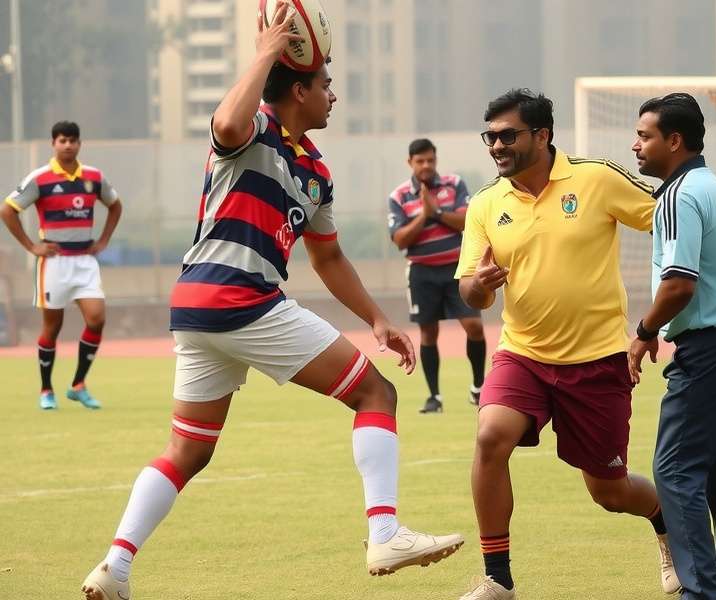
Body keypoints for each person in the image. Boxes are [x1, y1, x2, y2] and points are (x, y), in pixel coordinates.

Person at [80, 4, 462, 599]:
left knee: (189, 449)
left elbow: (329, 259)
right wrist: (263, 52)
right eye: (326, 84)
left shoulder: (315, 171)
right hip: (240, 298)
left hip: (198, 309)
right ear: (299, 89)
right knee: (375, 393)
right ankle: (384, 532)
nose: (333, 95)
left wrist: (378, 320)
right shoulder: (253, 128)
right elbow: (227, 126)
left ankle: (115, 567)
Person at [454, 89, 679, 600]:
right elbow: (469, 288)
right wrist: (481, 284)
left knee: (610, 492)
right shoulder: (486, 203)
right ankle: (497, 579)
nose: (495, 145)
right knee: (491, 436)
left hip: (597, 362)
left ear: (542, 135)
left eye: (507, 135)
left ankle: (666, 523)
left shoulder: (596, 178)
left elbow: (670, 218)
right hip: (523, 354)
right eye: (489, 136)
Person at [629, 93, 716, 600]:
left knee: (675, 467)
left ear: (674, 140)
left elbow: (680, 282)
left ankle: (702, 591)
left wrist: (642, 333)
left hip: (711, 349)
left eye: (644, 136)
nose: (636, 145)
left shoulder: (678, 195)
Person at [1, 120, 122, 410]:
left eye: (73, 140)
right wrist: (32, 246)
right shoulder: (40, 178)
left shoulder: (93, 177)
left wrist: (103, 240)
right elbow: (8, 210)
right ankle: (46, 389)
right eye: (62, 140)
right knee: (52, 328)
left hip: (85, 261)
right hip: (54, 263)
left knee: (97, 318)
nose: (68, 145)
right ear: (53, 144)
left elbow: (115, 205)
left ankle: (78, 384)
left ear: (79, 144)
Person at [388, 138, 486, 413]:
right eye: (420, 161)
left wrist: (438, 212)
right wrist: (423, 216)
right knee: (428, 332)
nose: (426, 165)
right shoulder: (399, 196)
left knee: (474, 326)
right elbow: (400, 239)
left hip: (457, 269)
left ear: (436, 160)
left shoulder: (454, 185)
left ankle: (478, 387)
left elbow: (466, 221)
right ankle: (435, 397)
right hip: (421, 273)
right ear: (410, 163)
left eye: (430, 160)